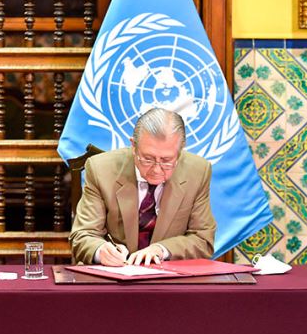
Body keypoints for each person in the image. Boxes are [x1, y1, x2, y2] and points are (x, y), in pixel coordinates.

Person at [69, 108, 216, 266]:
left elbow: (202, 240)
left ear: (180, 150)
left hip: (168, 274)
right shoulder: (101, 169)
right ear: (133, 146)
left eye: (166, 161)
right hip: (115, 273)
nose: (157, 170)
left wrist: (161, 250)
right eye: (148, 159)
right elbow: (83, 235)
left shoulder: (198, 171)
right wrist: (101, 251)